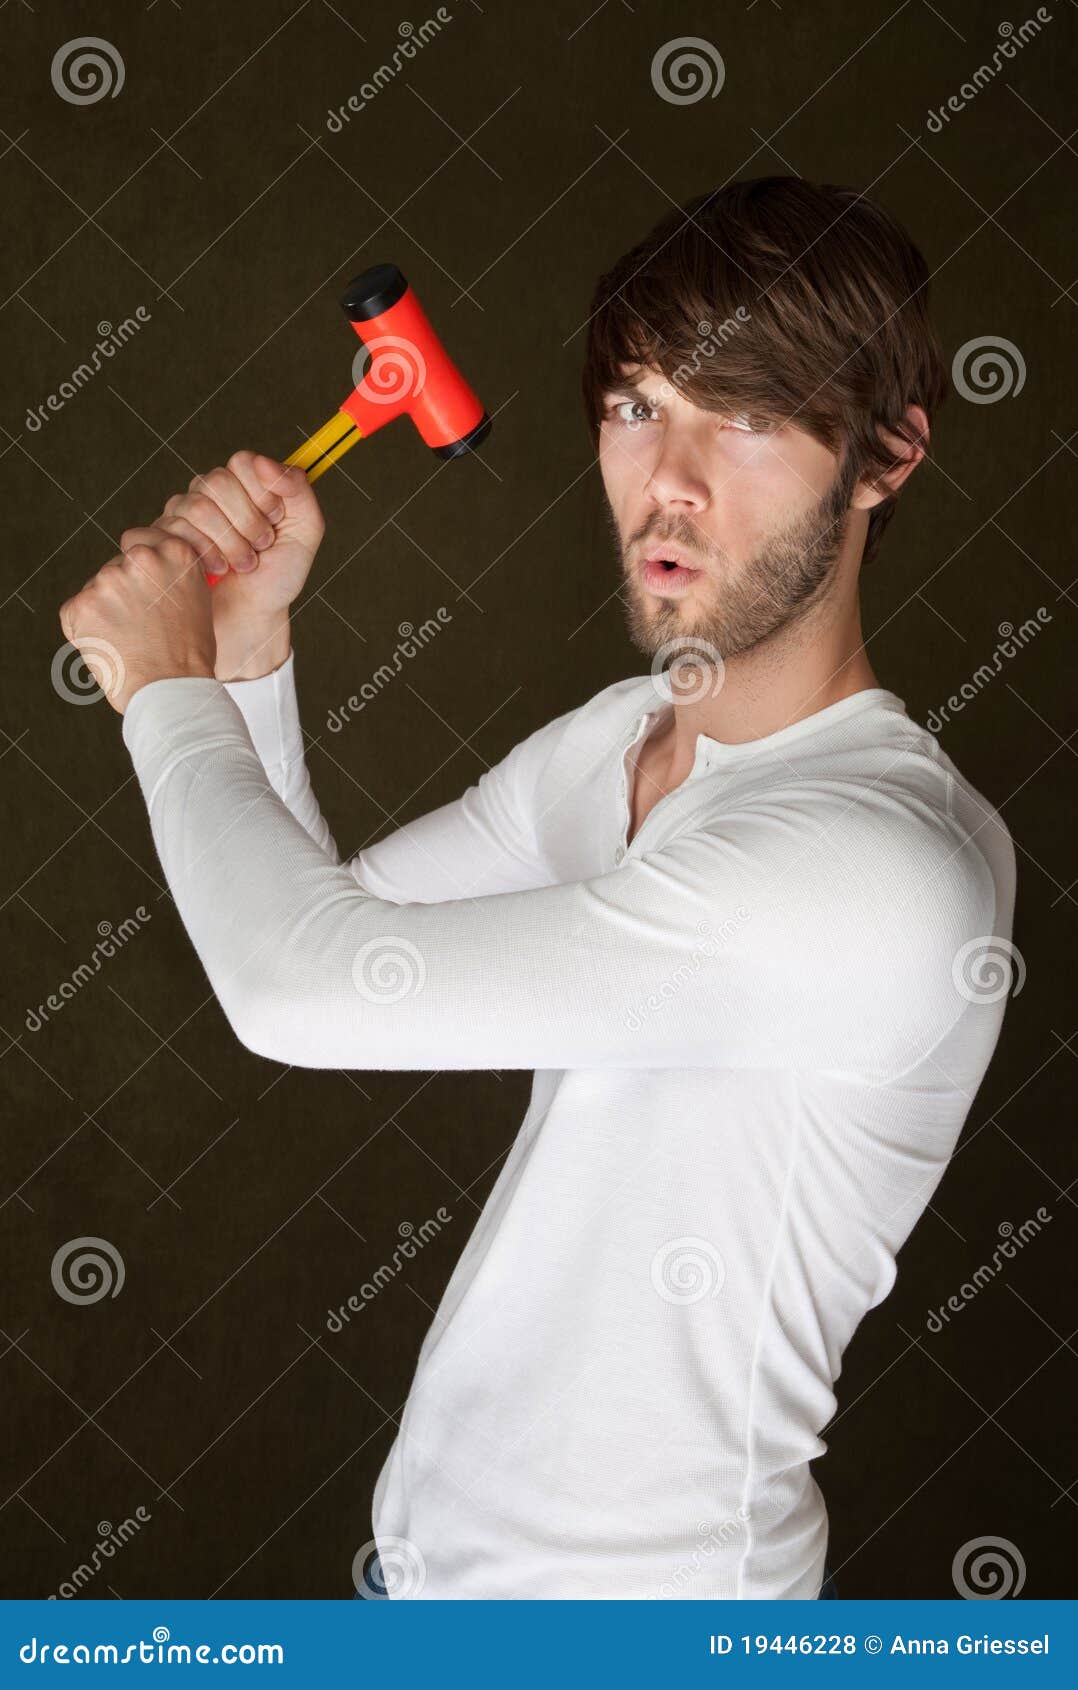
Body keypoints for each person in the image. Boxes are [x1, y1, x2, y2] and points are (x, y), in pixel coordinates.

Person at [59, 176, 1016, 1600]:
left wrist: (164, 693)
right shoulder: (620, 737)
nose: (668, 478)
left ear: (884, 454)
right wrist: (249, 653)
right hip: (431, 1588)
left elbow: (296, 987)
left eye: (743, 417)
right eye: (636, 405)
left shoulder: (875, 865)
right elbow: (330, 928)